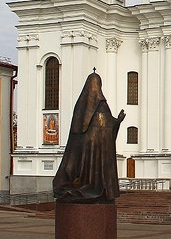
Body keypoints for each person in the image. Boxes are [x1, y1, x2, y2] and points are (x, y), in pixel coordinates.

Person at [53, 70, 125, 203]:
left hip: (82, 155)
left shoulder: (80, 106)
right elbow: (109, 128)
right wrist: (118, 121)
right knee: (94, 180)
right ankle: (94, 188)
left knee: (83, 172)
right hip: (98, 156)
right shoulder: (102, 105)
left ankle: (83, 184)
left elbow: (76, 134)